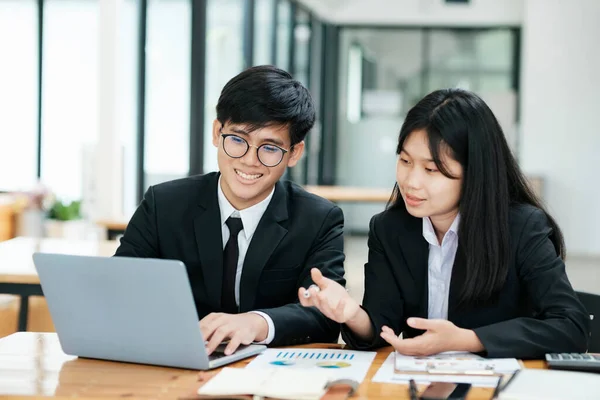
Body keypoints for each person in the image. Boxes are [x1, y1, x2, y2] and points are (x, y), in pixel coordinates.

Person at [299, 88, 590, 359]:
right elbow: (380, 330)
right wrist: (351, 313)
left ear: (475, 173)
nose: (411, 182)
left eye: (432, 169)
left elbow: (570, 326)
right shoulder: (390, 229)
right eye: (405, 161)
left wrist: (467, 339)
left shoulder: (521, 227)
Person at [115, 65, 345, 356]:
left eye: (269, 148)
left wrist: (256, 323)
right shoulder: (163, 204)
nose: (250, 161)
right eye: (237, 140)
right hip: (175, 363)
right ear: (216, 132)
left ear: (294, 153)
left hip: (269, 374)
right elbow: (121, 289)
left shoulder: (318, 219)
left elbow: (324, 316)